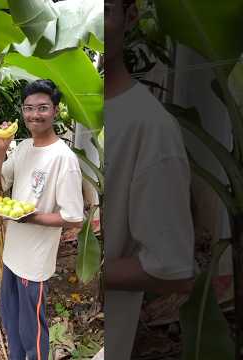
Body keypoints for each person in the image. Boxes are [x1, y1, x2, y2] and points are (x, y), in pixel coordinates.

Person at [104, 0, 195, 359]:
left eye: (105, 9)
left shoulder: (151, 128)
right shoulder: (82, 114)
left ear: (130, 17)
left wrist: (85, 272)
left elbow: (172, 269)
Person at [0, 79, 85, 360]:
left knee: (33, 333)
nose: (34, 114)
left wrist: (31, 217)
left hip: (35, 264)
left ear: (55, 110)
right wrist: (2, 149)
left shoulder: (63, 158)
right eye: (29, 108)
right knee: (12, 326)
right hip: (12, 256)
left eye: (42, 107)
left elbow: (74, 217)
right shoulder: (24, 147)